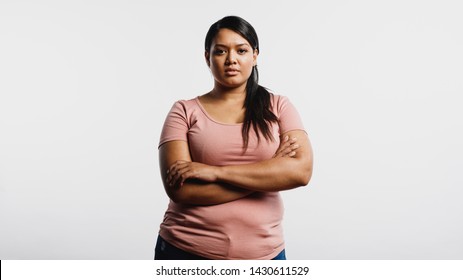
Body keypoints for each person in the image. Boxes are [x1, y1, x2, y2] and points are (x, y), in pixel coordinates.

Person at [155, 15, 313, 260]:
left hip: (265, 256)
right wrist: (269, 174)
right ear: (207, 57)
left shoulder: (279, 106)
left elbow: (301, 172)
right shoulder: (183, 111)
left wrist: (214, 172)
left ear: (255, 55)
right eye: (220, 51)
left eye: (241, 50)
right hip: (185, 250)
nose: (232, 60)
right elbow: (181, 191)